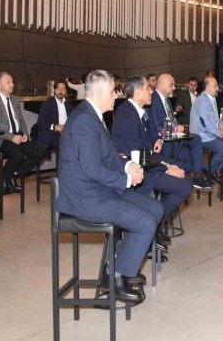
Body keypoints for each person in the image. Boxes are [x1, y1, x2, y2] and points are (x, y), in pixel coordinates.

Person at [57, 70, 161, 303]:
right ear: (100, 92)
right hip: (86, 198)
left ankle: (121, 264)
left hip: (99, 189)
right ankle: (115, 275)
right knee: (145, 222)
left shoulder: (93, 115)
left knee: (155, 209)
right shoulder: (84, 121)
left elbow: (111, 156)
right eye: (114, 91)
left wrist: (128, 166)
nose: (117, 95)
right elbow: (92, 169)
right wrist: (126, 180)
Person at [112, 75, 192, 241]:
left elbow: (149, 139)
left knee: (182, 170)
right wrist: (165, 167)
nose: (151, 91)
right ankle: (154, 223)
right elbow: (136, 155)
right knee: (184, 186)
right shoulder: (127, 115)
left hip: (148, 161)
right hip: (140, 171)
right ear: (137, 91)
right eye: (147, 88)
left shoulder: (139, 111)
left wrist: (157, 141)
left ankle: (154, 222)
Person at [0, 72, 45, 192]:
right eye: (8, 82)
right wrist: (11, 137)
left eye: (12, 82)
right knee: (18, 154)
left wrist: (25, 133)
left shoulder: (15, 99)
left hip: (17, 135)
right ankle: (5, 180)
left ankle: (11, 175)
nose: (12, 84)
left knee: (38, 152)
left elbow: (20, 119)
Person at [150, 73, 209, 189]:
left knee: (197, 139)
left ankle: (197, 175)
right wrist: (176, 129)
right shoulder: (153, 100)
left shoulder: (166, 100)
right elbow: (156, 127)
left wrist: (178, 128)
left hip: (174, 137)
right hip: (164, 142)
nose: (173, 88)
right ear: (162, 84)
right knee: (193, 159)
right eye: (171, 85)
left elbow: (172, 121)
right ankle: (186, 176)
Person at [190, 77, 223, 181]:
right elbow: (205, 123)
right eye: (215, 86)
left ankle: (210, 170)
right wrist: (218, 132)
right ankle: (209, 170)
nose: (217, 88)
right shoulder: (202, 100)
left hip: (211, 134)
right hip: (201, 136)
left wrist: (221, 126)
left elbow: (216, 118)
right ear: (207, 87)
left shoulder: (212, 99)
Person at [36, 81, 75, 152]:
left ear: (66, 91)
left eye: (63, 89)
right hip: (53, 132)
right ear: (54, 90)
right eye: (58, 88)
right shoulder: (47, 104)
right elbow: (40, 123)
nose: (60, 91)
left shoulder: (69, 103)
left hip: (67, 131)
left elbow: (73, 119)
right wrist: (55, 126)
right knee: (65, 143)